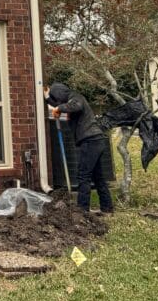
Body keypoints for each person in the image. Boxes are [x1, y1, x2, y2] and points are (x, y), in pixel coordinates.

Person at [46, 82, 114, 214]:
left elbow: (75, 106)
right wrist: (48, 98)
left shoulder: (76, 96)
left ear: (60, 93)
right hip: (96, 140)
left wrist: (59, 108)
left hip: (90, 141)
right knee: (98, 176)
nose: (58, 101)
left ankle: (82, 210)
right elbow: (59, 105)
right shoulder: (69, 99)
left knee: (84, 175)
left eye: (57, 97)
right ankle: (107, 208)